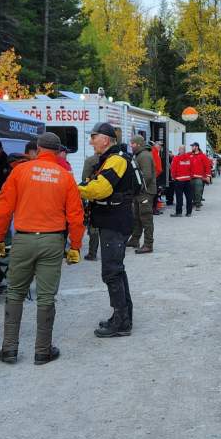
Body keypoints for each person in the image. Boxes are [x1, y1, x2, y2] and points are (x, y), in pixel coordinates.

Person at [0, 132, 85, 365]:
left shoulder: (20, 171)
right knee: (46, 296)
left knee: (15, 292)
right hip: (52, 241)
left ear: (38, 148)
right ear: (57, 151)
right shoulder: (64, 176)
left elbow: (3, 208)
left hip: (23, 239)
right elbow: (75, 215)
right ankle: (42, 350)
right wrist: (75, 246)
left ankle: (9, 348)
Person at [78, 122, 136, 337]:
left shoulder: (116, 160)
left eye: (93, 137)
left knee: (111, 271)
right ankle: (122, 316)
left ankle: (121, 323)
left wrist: (75, 190)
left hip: (115, 221)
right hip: (113, 221)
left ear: (105, 139)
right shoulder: (111, 159)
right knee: (116, 270)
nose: (91, 141)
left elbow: (101, 189)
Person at [128, 135, 157, 254]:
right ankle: (135, 239)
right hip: (141, 192)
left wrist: (139, 189)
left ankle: (148, 244)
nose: (131, 145)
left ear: (138, 144)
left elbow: (147, 176)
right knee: (137, 217)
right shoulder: (140, 154)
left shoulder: (144, 155)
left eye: (133, 143)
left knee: (146, 218)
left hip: (145, 192)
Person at [80, 150, 101, 260]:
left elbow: (85, 179)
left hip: (95, 197)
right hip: (111, 197)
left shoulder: (90, 160)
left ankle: (92, 253)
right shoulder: (114, 159)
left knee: (94, 226)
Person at [170, 147, 195, 217]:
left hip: (179, 180)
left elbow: (173, 169)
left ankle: (179, 212)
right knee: (189, 197)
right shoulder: (189, 159)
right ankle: (189, 212)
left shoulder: (176, 158)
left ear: (179, 151)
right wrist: (190, 177)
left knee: (179, 197)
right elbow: (192, 169)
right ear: (185, 151)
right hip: (187, 180)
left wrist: (174, 177)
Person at [191, 143, 209, 209]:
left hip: (199, 177)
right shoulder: (190, 155)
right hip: (191, 177)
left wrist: (208, 176)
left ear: (197, 147)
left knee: (198, 191)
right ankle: (194, 202)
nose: (192, 147)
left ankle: (198, 204)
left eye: (193, 146)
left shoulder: (203, 156)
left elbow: (207, 166)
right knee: (192, 191)